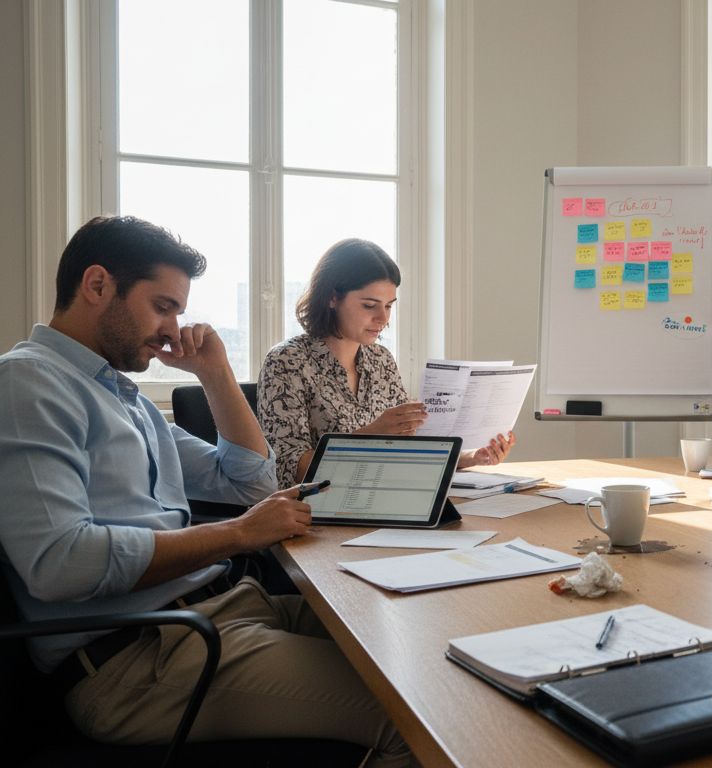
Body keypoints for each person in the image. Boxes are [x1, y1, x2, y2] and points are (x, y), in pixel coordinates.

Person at [0, 216, 413, 765]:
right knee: (413, 717)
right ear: (97, 286)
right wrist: (239, 535)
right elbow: (61, 563)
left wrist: (214, 372)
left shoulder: (128, 400)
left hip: (219, 611)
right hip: (138, 659)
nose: (173, 327)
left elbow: (250, 482)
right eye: (163, 306)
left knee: (415, 654)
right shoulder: (28, 383)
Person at [258, 238, 515, 487]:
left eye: (389, 306)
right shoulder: (287, 361)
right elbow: (288, 469)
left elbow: (409, 450)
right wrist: (372, 434)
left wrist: (471, 457)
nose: (383, 318)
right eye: (370, 305)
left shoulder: (381, 360)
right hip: (317, 511)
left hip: (384, 495)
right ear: (332, 297)